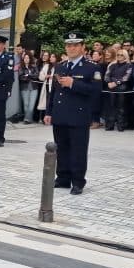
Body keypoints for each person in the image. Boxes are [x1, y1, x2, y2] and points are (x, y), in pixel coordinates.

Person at [44, 33, 98, 195]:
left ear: (82, 47)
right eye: (69, 45)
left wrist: (74, 83)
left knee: (78, 150)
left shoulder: (91, 67)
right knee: (61, 148)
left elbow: (95, 92)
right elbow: (54, 91)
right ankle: (63, 178)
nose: (71, 48)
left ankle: (78, 181)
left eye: (75, 45)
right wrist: (49, 112)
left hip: (78, 115)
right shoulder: (60, 66)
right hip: (60, 114)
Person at [102, 49, 133, 132]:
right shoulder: (112, 65)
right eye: (118, 54)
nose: (119, 56)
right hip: (111, 88)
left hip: (122, 88)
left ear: (125, 56)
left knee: (121, 107)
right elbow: (107, 76)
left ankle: (121, 125)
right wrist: (109, 82)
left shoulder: (129, 65)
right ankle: (110, 125)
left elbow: (126, 77)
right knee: (110, 107)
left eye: (121, 55)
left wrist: (116, 82)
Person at [16, 52, 40, 124]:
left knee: (31, 104)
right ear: (23, 59)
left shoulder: (34, 66)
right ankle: (29, 119)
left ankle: (27, 119)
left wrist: (28, 75)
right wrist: (28, 76)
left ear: (30, 59)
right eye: (25, 58)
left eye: (28, 58)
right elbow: (20, 77)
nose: (26, 59)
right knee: (26, 104)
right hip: (24, 88)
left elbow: (37, 75)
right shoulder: (21, 67)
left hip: (34, 88)